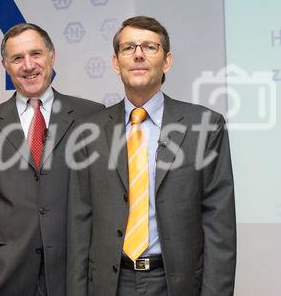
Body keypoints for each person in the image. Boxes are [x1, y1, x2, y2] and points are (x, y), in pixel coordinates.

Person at [67, 16, 236, 296]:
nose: (138, 54)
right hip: (110, 284)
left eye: (149, 47)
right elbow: (79, 222)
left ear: (166, 61)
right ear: (115, 62)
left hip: (174, 284)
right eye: (128, 48)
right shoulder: (89, 131)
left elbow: (219, 224)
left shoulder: (205, 125)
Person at [0, 23, 104, 296]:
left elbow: (105, 202)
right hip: (3, 280)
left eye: (35, 54)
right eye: (17, 58)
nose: (28, 65)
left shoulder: (92, 117)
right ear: (5, 65)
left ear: (52, 56)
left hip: (74, 278)